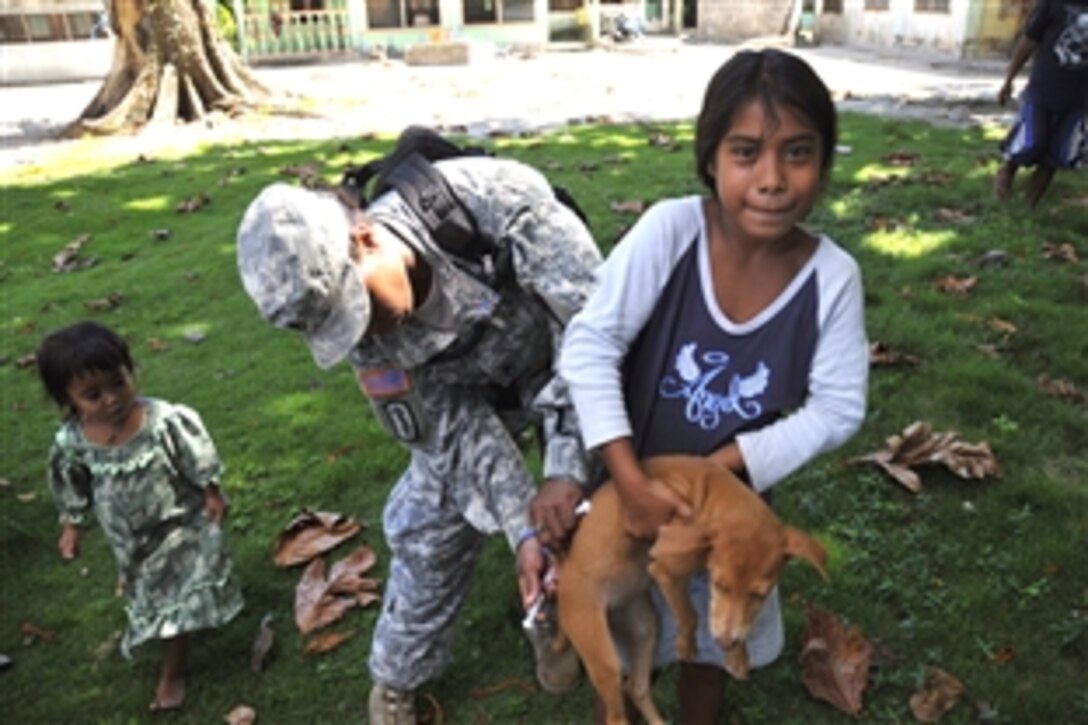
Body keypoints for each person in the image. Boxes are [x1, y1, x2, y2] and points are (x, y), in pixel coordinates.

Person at [235, 153, 602, 724]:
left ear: (365, 237)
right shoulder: (364, 342)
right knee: (426, 531)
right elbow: (451, 430)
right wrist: (523, 527)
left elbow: (592, 336)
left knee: (601, 502)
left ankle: (568, 619)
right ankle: (397, 678)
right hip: (472, 401)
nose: (367, 337)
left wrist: (565, 468)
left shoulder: (495, 201)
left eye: (362, 311)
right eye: (342, 331)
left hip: (568, 369)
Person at [559, 49, 869, 723]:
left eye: (798, 152)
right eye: (746, 151)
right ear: (711, 158)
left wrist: (720, 471)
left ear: (823, 163)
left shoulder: (831, 279)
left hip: (730, 508)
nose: (771, 179)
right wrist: (633, 486)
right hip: (624, 487)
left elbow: (839, 406)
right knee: (618, 628)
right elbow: (590, 344)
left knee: (713, 639)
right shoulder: (671, 233)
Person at [36, 320, 244, 712]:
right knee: (149, 592)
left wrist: (211, 491)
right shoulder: (73, 442)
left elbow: (194, 456)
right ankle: (176, 626)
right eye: (93, 395)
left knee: (174, 597)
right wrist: (71, 526)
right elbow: (71, 484)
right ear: (68, 398)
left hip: (179, 525)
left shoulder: (161, 421)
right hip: (128, 541)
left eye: (118, 383)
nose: (111, 399)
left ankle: (173, 670)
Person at [994, 0, 1088, 208]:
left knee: (1057, 154)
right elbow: (1029, 40)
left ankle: (1029, 209)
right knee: (1031, 143)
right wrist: (1009, 80)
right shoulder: (1052, 3)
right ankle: (1008, 169)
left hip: (1078, 98)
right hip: (1043, 89)